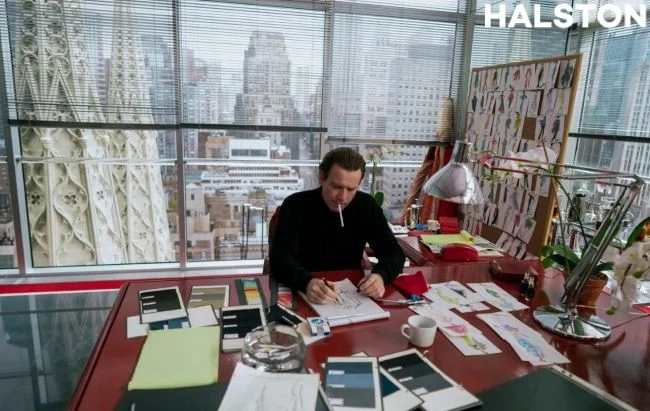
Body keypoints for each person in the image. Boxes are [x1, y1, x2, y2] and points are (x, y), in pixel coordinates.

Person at [269, 147, 405, 304]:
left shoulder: (366, 206)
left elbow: (394, 253)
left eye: (351, 189)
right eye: (336, 187)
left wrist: (381, 276)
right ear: (322, 177)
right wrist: (307, 282)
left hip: (352, 293)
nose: (343, 197)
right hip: (302, 291)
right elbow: (280, 258)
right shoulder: (295, 205)